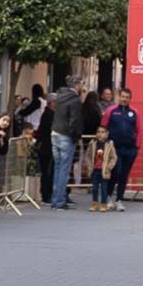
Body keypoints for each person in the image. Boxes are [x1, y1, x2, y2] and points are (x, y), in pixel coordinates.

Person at [102, 88, 141, 211]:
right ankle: (108, 197)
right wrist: (103, 145)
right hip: (114, 149)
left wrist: (137, 146)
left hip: (130, 149)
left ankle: (119, 200)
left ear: (130, 98)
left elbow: (139, 130)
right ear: (119, 96)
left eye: (127, 97)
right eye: (123, 96)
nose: (124, 99)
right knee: (115, 172)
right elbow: (103, 128)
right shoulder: (110, 111)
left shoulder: (134, 112)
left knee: (124, 175)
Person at [50, 75, 85, 210]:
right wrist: (76, 137)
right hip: (66, 136)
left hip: (55, 133)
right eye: (81, 84)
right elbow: (74, 121)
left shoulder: (60, 96)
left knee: (58, 168)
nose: (82, 87)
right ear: (76, 85)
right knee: (64, 169)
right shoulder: (75, 100)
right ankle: (60, 201)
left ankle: (55, 200)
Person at [87, 125, 117, 212]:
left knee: (104, 188)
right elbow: (88, 155)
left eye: (103, 132)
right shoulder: (92, 143)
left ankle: (104, 204)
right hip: (95, 170)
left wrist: (109, 167)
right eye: (98, 132)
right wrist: (89, 165)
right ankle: (95, 203)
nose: (100, 134)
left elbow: (113, 157)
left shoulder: (109, 144)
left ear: (107, 134)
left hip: (104, 171)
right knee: (95, 187)